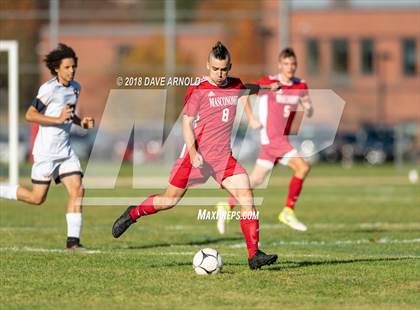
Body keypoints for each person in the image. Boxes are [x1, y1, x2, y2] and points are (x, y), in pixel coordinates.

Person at [112, 41, 278, 269]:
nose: (220, 74)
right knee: (169, 201)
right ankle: (134, 212)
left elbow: (248, 87)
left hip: (222, 159)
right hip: (196, 157)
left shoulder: (234, 84)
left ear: (230, 67)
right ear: (207, 66)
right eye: (216, 69)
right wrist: (192, 153)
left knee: (246, 194)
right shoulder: (198, 90)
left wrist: (270, 89)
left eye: (225, 69)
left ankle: (254, 255)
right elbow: (187, 124)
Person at [0, 43, 95, 249]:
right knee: (37, 198)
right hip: (46, 153)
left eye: (73, 67)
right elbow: (30, 115)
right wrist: (58, 119)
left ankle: (73, 242)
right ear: (56, 69)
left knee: (78, 189)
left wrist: (81, 122)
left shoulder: (76, 88)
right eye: (67, 67)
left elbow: (68, 114)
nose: (71, 71)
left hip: (66, 151)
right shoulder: (48, 89)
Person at [217, 47, 313, 234]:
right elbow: (243, 92)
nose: (290, 67)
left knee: (255, 180)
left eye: (293, 64)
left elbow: (307, 103)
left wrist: (308, 107)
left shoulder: (300, 85)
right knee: (302, 167)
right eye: (286, 63)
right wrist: (251, 118)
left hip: (279, 140)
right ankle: (287, 211)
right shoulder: (270, 82)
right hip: (272, 139)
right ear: (279, 64)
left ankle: (226, 207)